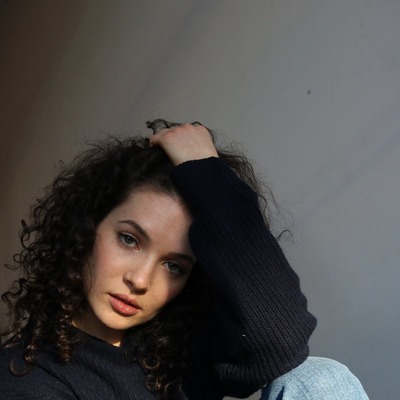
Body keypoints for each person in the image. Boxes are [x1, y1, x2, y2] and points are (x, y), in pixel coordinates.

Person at [0, 120, 368, 399]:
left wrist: (206, 173)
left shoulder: (177, 354)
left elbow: (281, 340)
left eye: (174, 266)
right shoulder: (26, 375)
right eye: (129, 240)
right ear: (87, 229)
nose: (140, 280)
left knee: (318, 378)